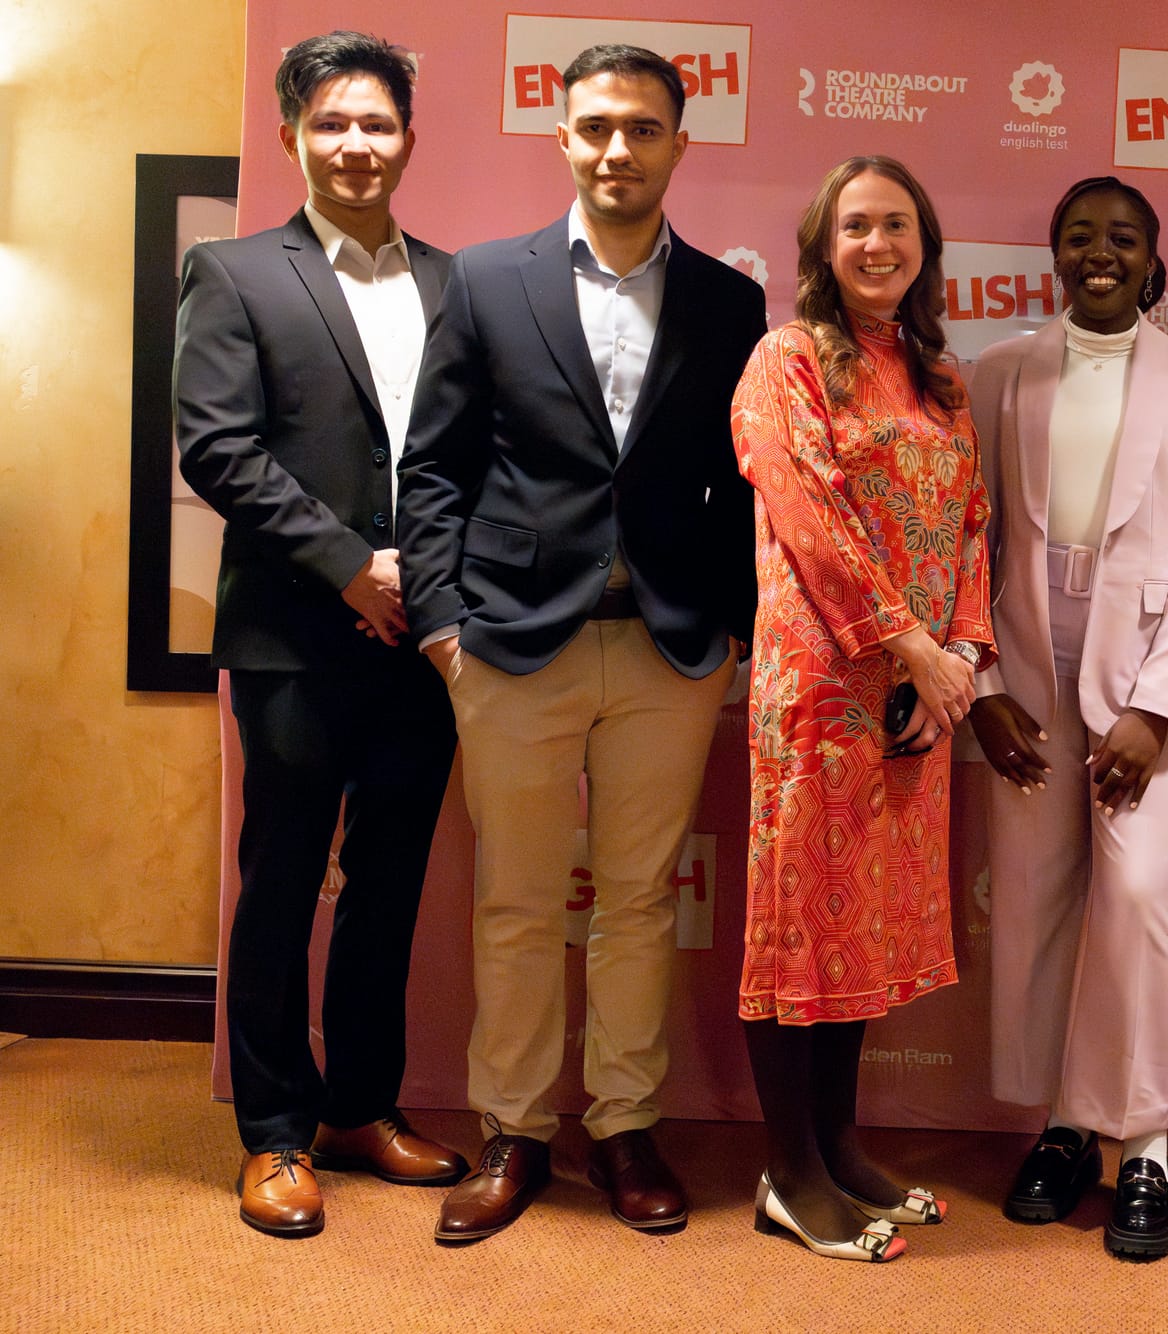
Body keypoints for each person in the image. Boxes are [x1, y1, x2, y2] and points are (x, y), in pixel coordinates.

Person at [396, 44, 765, 1242]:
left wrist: (739, 635)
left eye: (643, 128)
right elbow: (435, 468)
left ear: (677, 144)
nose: (618, 149)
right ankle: (514, 1131)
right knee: (513, 901)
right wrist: (445, 623)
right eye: (596, 127)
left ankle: (622, 1124)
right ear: (562, 139)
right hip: (512, 645)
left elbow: (743, 488)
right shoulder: (487, 281)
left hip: (667, 649)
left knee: (641, 900)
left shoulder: (727, 300)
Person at [174, 30, 466, 1238]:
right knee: (284, 879)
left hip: (428, 640)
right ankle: (276, 1133)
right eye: (333, 122)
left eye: (378, 124)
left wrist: (435, 583)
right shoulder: (233, 271)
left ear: (408, 136)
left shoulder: (460, 282)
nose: (357, 144)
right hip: (295, 632)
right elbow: (218, 446)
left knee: (389, 884)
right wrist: (351, 565)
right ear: (293, 132)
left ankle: (360, 1104)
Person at [730, 155, 991, 1264]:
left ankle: (838, 1145)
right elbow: (807, 509)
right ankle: (787, 1172)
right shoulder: (784, 361)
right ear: (822, 248)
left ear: (923, 242)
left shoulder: (938, 379)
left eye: (895, 224)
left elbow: (973, 523)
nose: (876, 244)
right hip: (821, 690)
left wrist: (962, 660)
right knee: (799, 927)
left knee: (860, 929)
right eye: (854, 228)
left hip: (916, 698)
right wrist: (910, 647)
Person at [969, 177, 1168, 1261]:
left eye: (1119, 238)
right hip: (1026, 671)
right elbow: (960, 542)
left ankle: (1144, 1141)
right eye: (1076, 234)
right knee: (1034, 901)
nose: (1097, 253)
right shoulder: (999, 372)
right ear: (1051, 251)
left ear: (1149, 258)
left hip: (1142, 686)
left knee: (1132, 900)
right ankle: (1063, 1126)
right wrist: (981, 686)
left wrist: (1159, 704)